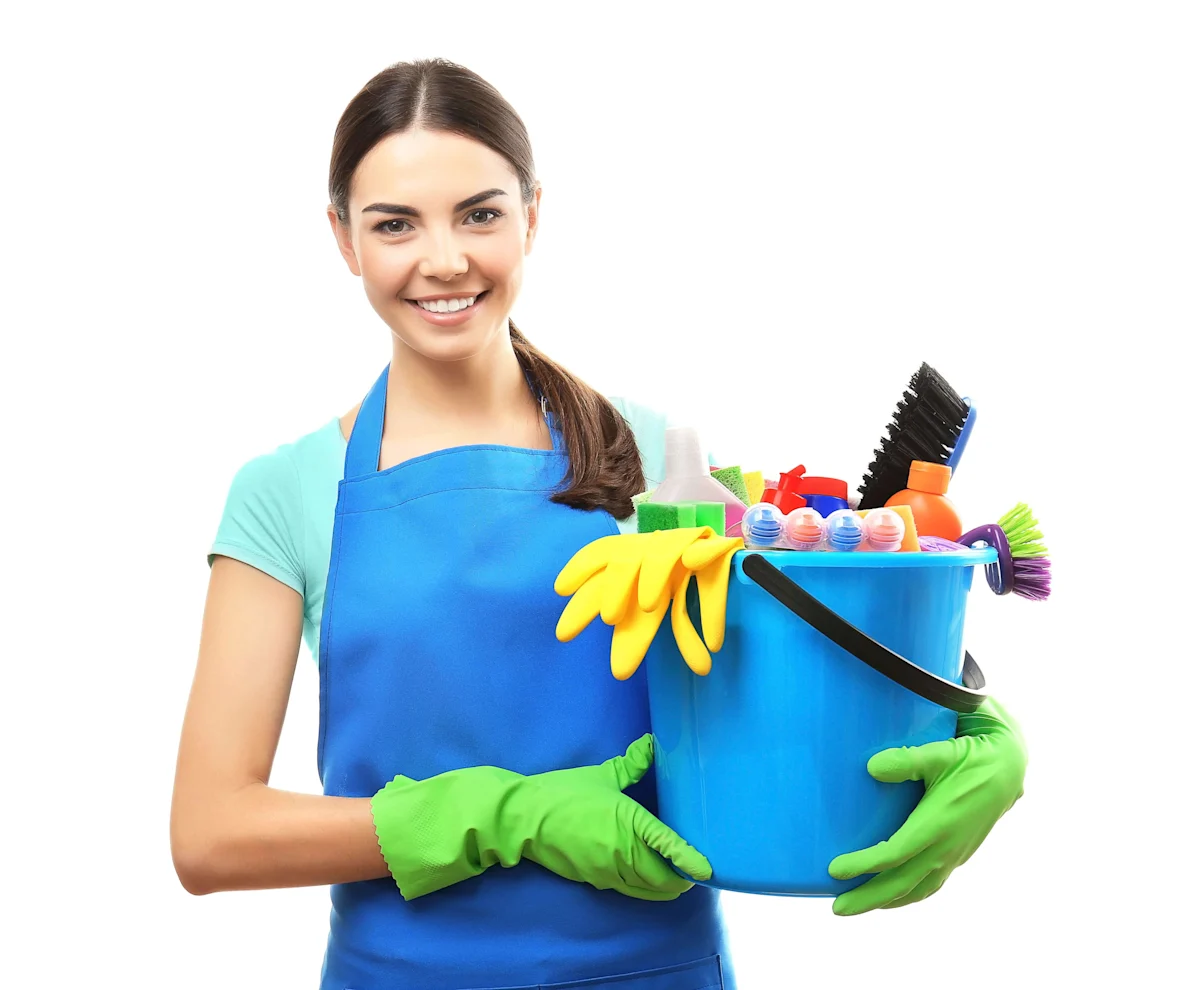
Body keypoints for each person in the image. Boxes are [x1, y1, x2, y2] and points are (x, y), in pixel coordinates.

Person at [170, 58, 1027, 990]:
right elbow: (211, 835)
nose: (444, 259)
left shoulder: (659, 462)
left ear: (533, 215)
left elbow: (807, 655)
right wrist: (506, 816)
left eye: (480, 214)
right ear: (343, 237)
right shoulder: (288, 491)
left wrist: (983, 730)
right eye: (395, 224)